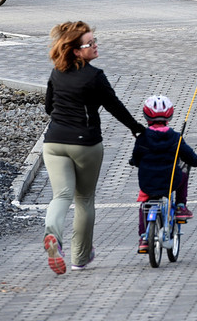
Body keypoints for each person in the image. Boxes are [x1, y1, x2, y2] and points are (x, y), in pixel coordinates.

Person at [43, 22, 146, 274]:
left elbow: (48, 107)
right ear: (77, 51)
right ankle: (80, 257)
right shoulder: (94, 76)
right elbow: (115, 106)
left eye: (95, 40)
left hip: (53, 142)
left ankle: (53, 236)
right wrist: (136, 128)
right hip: (85, 144)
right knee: (84, 199)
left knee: (61, 196)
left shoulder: (57, 73)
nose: (96, 45)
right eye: (91, 43)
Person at [129, 95, 197, 254]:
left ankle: (144, 238)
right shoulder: (175, 137)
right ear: (169, 115)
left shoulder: (142, 138)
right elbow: (189, 156)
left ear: (146, 116)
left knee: (144, 204)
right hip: (170, 181)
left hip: (148, 182)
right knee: (184, 171)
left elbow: (136, 158)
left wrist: (134, 161)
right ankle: (180, 206)